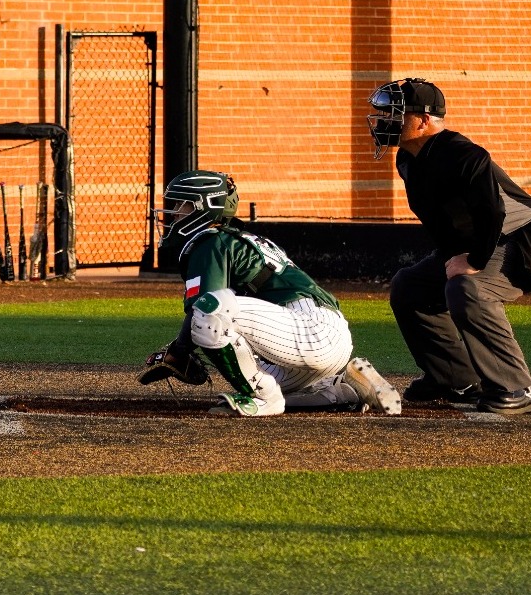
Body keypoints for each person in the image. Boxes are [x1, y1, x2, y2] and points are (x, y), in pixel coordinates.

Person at [368, 78, 531, 417]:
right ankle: (454, 380)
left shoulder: (461, 154)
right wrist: (452, 257)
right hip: (485, 240)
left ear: (423, 120)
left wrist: (474, 260)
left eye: (395, 114)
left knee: (468, 287)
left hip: (527, 241)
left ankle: (516, 388)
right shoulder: (408, 159)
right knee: (410, 287)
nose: (385, 120)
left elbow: (493, 212)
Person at [135, 170, 401, 416]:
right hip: (322, 336)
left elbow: (204, 308)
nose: (172, 212)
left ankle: (263, 398)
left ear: (203, 207)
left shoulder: (211, 242)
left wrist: (178, 351)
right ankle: (344, 387)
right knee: (258, 373)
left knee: (210, 311)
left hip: (309, 330)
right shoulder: (237, 239)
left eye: (180, 204)